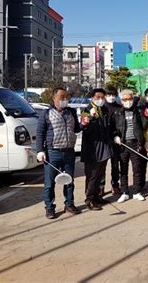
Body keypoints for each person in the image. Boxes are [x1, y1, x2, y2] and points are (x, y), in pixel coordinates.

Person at [36, 87, 81, 219]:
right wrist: (40, 151)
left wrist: (84, 123)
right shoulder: (46, 114)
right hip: (52, 153)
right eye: (61, 97)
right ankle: (50, 207)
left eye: (66, 97)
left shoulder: (71, 112)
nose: (64, 100)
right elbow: (40, 133)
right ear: (54, 98)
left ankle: (69, 204)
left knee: (69, 181)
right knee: (50, 183)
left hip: (69, 152)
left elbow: (77, 129)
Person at [110, 89, 148, 203]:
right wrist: (115, 136)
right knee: (123, 170)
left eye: (129, 99)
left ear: (133, 99)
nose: (127, 101)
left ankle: (137, 191)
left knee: (137, 169)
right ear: (121, 100)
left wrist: (146, 116)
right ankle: (125, 192)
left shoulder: (138, 111)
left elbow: (144, 126)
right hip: (122, 145)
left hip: (136, 144)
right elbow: (113, 129)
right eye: (125, 99)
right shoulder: (117, 113)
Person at [80, 88, 113, 211]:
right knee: (92, 175)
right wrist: (92, 118)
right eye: (97, 97)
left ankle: (97, 196)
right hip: (92, 148)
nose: (100, 100)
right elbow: (86, 129)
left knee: (100, 174)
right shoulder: (87, 110)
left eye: (102, 97)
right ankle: (89, 199)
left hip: (104, 146)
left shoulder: (104, 109)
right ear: (92, 98)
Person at [102, 86, 122, 195]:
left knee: (115, 165)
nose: (111, 97)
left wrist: (117, 135)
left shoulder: (119, 107)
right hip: (104, 141)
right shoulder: (101, 107)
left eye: (113, 95)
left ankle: (115, 185)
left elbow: (121, 125)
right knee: (102, 165)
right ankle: (101, 187)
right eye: (109, 95)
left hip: (116, 140)